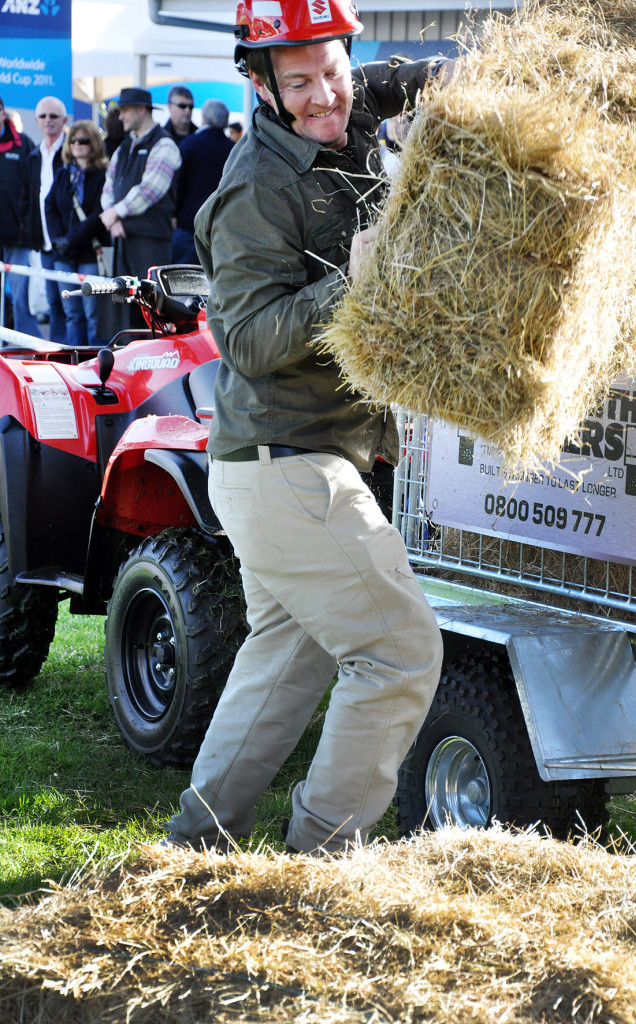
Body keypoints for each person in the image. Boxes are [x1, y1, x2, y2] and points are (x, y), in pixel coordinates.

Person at [162, 0, 448, 857]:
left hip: (290, 467)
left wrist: (479, 75)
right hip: (286, 466)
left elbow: (411, 79)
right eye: (300, 82)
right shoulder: (253, 186)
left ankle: (193, 848)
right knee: (399, 653)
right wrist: (349, 285)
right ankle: (320, 861)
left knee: (284, 666)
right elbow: (244, 343)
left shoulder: (346, 101)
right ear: (260, 83)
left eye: (334, 70)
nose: (326, 97)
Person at [100, 87, 181, 329]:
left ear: (141, 110)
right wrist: (112, 218)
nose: (120, 117)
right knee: (123, 315)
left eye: (124, 110)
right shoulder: (125, 146)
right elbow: (109, 185)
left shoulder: (165, 145)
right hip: (124, 242)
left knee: (150, 315)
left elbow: (149, 190)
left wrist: (114, 213)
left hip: (151, 246)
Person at [45, 121, 109, 346]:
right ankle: (74, 365)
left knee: (93, 315)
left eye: (84, 140)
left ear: (94, 143)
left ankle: (97, 364)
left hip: (89, 254)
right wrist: (57, 239)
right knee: (72, 314)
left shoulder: (103, 175)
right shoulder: (63, 174)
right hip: (63, 255)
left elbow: (98, 214)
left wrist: (70, 239)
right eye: (73, 140)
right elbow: (49, 205)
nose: (78, 145)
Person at [21, 95, 69, 343]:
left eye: (54, 116)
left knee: (70, 304)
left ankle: (77, 355)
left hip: (68, 240)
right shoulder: (33, 155)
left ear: (64, 120)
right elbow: (28, 197)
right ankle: (60, 353)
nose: (48, 121)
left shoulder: (72, 151)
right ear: (37, 120)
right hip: (44, 241)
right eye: (43, 116)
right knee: (52, 301)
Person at [171, 99, 234, 265]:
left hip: (188, 227)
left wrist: (174, 213)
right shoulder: (234, 149)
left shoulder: (190, 144)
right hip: (223, 230)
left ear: (204, 118)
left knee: (183, 283)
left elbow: (177, 184)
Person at [0, 94, 38, 335]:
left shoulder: (24, 144)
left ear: (3, 113)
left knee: (22, 300)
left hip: (18, 237)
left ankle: (28, 351)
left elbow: (36, 190)